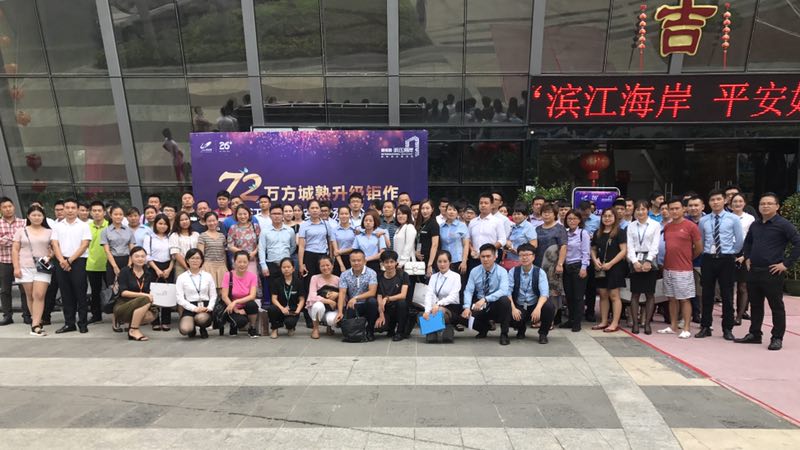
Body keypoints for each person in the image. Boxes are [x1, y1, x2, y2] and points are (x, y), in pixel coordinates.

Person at [736, 193, 800, 351]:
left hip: (772, 272)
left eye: (769, 203)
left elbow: (798, 243)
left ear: (777, 206)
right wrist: (747, 257)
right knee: (755, 305)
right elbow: (748, 242)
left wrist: (786, 264)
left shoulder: (783, 224)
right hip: (754, 271)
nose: (765, 206)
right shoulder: (756, 224)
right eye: (762, 203)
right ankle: (755, 334)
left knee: (776, 306)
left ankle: (777, 337)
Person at [696, 189, 743, 340]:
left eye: (718, 199)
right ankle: (705, 326)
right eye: (712, 200)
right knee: (707, 294)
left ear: (725, 201)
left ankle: (727, 328)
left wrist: (731, 252)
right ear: (708, 203)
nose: (715, 202)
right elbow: (701, 239)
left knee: (727, 295)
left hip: (726, 259)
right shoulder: (704, 220)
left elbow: (739, 240)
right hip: (708, 259)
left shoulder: (733, 219)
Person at [659, 197, 702, 338]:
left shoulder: (691, 226)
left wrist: (688, 258)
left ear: (684, 209)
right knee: (671, 298)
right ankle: (673, 326)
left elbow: (699, 248)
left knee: (684, 299)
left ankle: (686, 328)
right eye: (671, 209)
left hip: (684, 269)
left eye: (677, 208)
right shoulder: (667, 227)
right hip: (668, 268)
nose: (674, 211)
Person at [51, 198, 92, 334]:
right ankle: (69, 323)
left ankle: (83, 323)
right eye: (67, 207)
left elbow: (84, 245)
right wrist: (62, 260)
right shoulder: (57, 225)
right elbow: (55, 244)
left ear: (77, 209)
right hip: (61, 261)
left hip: (78, 261)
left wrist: (69, 261)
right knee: (66, 293)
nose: (70, 210)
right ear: (63, 209)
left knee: (80, 293)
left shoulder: (83, 225)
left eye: (73, 208)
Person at [11, 205, 53, 336]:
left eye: (39, 215)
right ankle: (36, 322)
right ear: (28, 216)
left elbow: (54, 248)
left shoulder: (49, 232)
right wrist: (16, 267)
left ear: (43, 217)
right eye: (34, 215)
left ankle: (35, 325)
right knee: (30, 295)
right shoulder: (21, 231)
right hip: (25, 266)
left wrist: (49, 256)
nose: (36, 217)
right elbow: (15, 250)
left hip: (42, 267)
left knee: (39, 295)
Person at [463, 244, 511, 345]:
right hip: (480, 304)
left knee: (505, 301)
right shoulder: (474, 271)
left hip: (495, 304)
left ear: (495, 257)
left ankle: (504, 334)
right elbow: (468, 290)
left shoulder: (502, 271)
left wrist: (485, 299)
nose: (485, 259)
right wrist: (467, 307)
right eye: (483, 256)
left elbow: (504, 290)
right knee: (464, 315)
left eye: (488, 256)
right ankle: (483, 329)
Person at [626, 200, 661, 334]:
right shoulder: (631, 226)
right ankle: (635, 323)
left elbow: (655, 245)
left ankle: (647, 323)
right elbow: (630, 245)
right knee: (635, 293)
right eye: (638, 209)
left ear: (648, 210)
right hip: (635, 258)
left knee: (649, 294)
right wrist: (634, 262)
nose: (640, 212)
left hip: (650, 259)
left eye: (643, 209)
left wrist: (648, 261)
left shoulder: (655, 225)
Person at [508, 243, 555, 344]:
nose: (524, 258)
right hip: (519, 305)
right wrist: (513, 309)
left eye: (527, 255)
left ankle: (543, 333)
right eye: (521, 255)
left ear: (533, 257)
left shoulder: (540, 272)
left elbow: (544, 294)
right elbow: (508, 292)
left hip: (534, 304)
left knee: (549, 307)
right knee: (510, 313)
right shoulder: (513, 271)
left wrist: (538, 308)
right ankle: (521, 329)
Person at [590, 208, 628, 333]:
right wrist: (595, 260)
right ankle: (604, 321)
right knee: (603, 295)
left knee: (614, 296)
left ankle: (614, 323)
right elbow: (593, 249)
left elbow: (623, 251)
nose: (607, 218)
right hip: (601, 268)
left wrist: (611, 264)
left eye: (610, 216)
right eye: (605, 216)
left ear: (615, 218)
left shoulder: (620, 232)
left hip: (615, 267)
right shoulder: (598, 232)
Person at [100, 205, 135, 330]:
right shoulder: (106, 231)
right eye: (115, 214)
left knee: (127, 291)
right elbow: (107, 251)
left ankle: (126, 320)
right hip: (112, 262)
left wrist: (130, 264)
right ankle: (115, 320)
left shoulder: (128, 231)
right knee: (115, 292)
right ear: (111, 215)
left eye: (120, 214)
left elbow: (132, 249)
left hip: (127, 261)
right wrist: (115, 266)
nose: (118, 216)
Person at [113, 246, 157, 341]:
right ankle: (134, 330)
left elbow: (149, 291)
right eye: (137, 256)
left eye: (143, 256)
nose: (140, 259)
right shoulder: (125, 271)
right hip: (123, 305)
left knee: (152, 314)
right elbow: (123, 293)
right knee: (146, 299)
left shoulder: (148, 273)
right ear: (131, 258)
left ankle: (131, 327)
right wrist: (144, 295)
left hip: (140, 305)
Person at [335, 249, 379, 341]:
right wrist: (340, 311)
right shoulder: (345, 274)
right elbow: (342, 293)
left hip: (367, 304)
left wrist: (356, 298)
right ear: (350, 261)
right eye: (353, 260)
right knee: (348, 326)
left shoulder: (371, 273)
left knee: (372, 301)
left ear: (364, 261)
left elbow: (372, 292)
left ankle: (370, 330)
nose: (356, 263)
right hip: (353, 305)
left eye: (359, 260)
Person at [258, 203, 297, 302]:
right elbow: (261, 249)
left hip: (286, 265)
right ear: (270, 215)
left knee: (286, 290)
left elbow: (293, 246)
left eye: (279, 213)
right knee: (273, 290)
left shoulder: (290, 230)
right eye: (274, 214)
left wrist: (286, 256)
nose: (276, 216)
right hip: (271, 264)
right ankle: (274, 310)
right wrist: (263, 265)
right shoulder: (265, 231)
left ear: (283, 215)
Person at [535, 204, 567, 323]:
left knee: (553, 292)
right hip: (539, 264)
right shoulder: (537, 229)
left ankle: (550, 320)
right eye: (544, 212)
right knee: (540, 290)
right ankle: (539, 317)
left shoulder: (560, 228)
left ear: (555, 215)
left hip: (553, 266)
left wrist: (560, 264)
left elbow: (563, 246)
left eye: (549, 212)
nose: (546, 215)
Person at [175, 248, 217, 339]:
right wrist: (194, 308)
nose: (195, 261)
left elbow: (213, 295)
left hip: (205, 307)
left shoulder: (207, 276)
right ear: (187, 260)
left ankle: (203, 328)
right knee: (185, 329)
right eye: (192, 258)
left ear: (202, 260)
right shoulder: (181, 277)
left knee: (201, 319)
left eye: (198, 258)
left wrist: (209, 307)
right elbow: (179, 298)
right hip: (190, 306)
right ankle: (192, 327)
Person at [422, 250, 462, 343]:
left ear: (450, 262)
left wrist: (438, 304)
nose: (442, 264)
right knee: (422, 315)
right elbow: (429, 294)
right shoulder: (434, 277)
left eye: (445, 261)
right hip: (435, 307)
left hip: (452, 308)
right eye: (439, 261)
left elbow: (453, 296)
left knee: (438, 311)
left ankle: (435, 328)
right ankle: (439, 329)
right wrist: (427, 311)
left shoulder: (456, 276)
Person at [0, 197, 28, 326]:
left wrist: (5, 238)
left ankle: (27, 315)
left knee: (24, 289)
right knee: (5, 290)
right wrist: (16, 240)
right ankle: (7, 316)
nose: (8, 209)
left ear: (14, 207)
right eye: (4, 207)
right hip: (4, 261)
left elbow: (26, 239)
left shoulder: (24, 222)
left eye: (9, 206)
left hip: (22, 260)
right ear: (1, 209)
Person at [561, 209, 590, 332]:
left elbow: (586, 252)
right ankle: (571, 319)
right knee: (569, 296)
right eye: (569, 219)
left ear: (579, 220)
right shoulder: (565, 233)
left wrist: (584, 267)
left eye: (574, 219)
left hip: (578, 266)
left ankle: (577, 322)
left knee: (578, 296)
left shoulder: (583, 233)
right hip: (566, 267)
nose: (572, 221)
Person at [220, 251, 260, 338]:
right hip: (230, 306)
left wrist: (236, 301)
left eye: (245, 262)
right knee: (241, 322)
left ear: (248, 263)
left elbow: (252, 296)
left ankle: (252, 328)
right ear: (234, 262)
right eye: (239, 262)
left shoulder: (252, 276)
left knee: (252, 305)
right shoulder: (228, 275)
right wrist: (235, 308)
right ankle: (233, 325)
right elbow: (224, 296)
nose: (242, 264)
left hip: (245, 306)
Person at [730, 193, 756, 325]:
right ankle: (728, 312)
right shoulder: (726, 217)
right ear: (730, 204)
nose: (737, 204)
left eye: (740, 201)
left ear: (744, 203)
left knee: (742, 286)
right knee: (728, 286)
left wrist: (745, 255)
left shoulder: (750, 218)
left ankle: (739, 315)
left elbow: (752, 239)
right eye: (735, 201)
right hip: (728, 252)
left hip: (744, 252)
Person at [298, 200, 332, 293]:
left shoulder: (326, 224)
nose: (315, 210)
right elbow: (301, 246)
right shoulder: (304, 225)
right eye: (312, 208)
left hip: (323, 255)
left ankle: (323, 301)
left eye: (317, 208)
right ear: (308, 210)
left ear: (320, 210)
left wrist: (331, 258)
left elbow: (330, 242)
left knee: (323, 281)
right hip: (309, 255)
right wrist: (301, 264)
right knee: (309, 281)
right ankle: (310, 301)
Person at [268, 258, 306, 338]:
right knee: (272, 309)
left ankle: (290, 327)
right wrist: (282, 308)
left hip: (292, 310)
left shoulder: (298, 282)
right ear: (281, 269)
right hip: (280, 309)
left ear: (293, 268)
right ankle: (274, 329)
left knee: (290, 323)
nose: (286, 269)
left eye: (288, 267)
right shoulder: (276, 282)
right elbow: (274, 298)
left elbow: (302, 299)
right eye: (284, 267)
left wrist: (298, 310)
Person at [376, 250, 409, 341]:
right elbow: (379, 296)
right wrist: (381, 314)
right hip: (385, 308)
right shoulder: (379, 276)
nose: (389, 265)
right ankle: (390, 329)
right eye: (386, 262)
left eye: (392, 262)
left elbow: (403, 295)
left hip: (398, 307)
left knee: (402, 303)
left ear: (396, 263)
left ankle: (399, 332)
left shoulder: (403, 275)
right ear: (382, 264)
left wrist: (387, 298)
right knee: (380, 327)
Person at [468, 194, 504, 273]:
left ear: (492, 205)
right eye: (481, 203)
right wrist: (471, 250)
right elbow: (468, 239)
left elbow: (502, 240)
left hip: (490, 259)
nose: (483, 205)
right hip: (475, 259)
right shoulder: (472, 222)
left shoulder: (497, 221)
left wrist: (488, 250)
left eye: (486, 203)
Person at [86, 201, 109, 323]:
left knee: (113, 290)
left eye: (99, 211)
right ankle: (96, 315)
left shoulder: (110, 226)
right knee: (95, 292)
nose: (97, 213)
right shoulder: (86, 227)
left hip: (109, 264)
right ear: (90, 213)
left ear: (104, 212)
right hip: (92, 264)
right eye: (94, 211)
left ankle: (117, 315)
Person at [306, 255, 339, 338]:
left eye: (328, 265)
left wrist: (337, 294)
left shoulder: (338, 279)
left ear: (332, 265)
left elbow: (344, 297)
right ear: (319, 267)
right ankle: (315, 328)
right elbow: (312, 296)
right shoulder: (314, 278)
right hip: (316, 309)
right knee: (318, 306)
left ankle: (329, 327)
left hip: (332, 308)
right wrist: (328, 301)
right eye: (322, 266)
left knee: (331, 320)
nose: (325, 268)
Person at [197, 212, 228, 296]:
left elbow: (224, 253)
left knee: (222, 293)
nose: (212, 223)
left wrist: (225, 266)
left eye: (214, 220)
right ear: (205, 222)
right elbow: (200, 254)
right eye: (209, 221)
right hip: (207, 266)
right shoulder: (202, 236)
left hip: (221, 266)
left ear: (217, 221)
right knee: (209, 293)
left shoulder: (222, 236)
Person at [685, 195, 705, 323]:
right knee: (687, 290)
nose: (693, 208)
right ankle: (690, 314)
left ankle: (700, 314)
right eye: (690, 206)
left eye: (696, 205)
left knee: (701, 290)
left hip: (703, 261)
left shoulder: (708, 220)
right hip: (685, 261)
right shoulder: (683, 221)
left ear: (702, 206)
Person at [226, 205, 260, 276]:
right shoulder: (233, 228)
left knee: (252, 280)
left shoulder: (255, 226)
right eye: (240, 214)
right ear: (236, 215)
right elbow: (230, 245)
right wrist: (243, 253)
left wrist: (254, 252)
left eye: (245, 214)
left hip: (252, 260)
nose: (242, 216)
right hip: (238, 261)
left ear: (249, 214)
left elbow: (261, 243)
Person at [504, 202, 537, 266]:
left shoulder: (528, 227)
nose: (516, 216)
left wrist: (518, 251)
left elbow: (534, 245)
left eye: (519, 214)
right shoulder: (513, 227)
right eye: (514, 214)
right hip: (510, 260)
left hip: (523, 261)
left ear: (525, 216)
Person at [169, 211, 199, 279]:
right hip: (181, 266)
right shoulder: (174, 235)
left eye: (186, 219)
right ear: (177, 222)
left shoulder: (196, 234)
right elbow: (176, 254)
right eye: (181, 220)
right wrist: (187, 268)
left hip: (196, 265)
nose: (184, 222)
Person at [331, 206, 356, 274]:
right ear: (338, 215)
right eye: (341, 214)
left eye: (346, 214)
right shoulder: (334, 230)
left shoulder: (355, 230)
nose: (344, 216)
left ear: (350, 215)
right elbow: (335, 251)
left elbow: (356, 247)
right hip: (339, 259)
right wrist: (341, 265)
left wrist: (340, 252)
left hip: (353, 259)